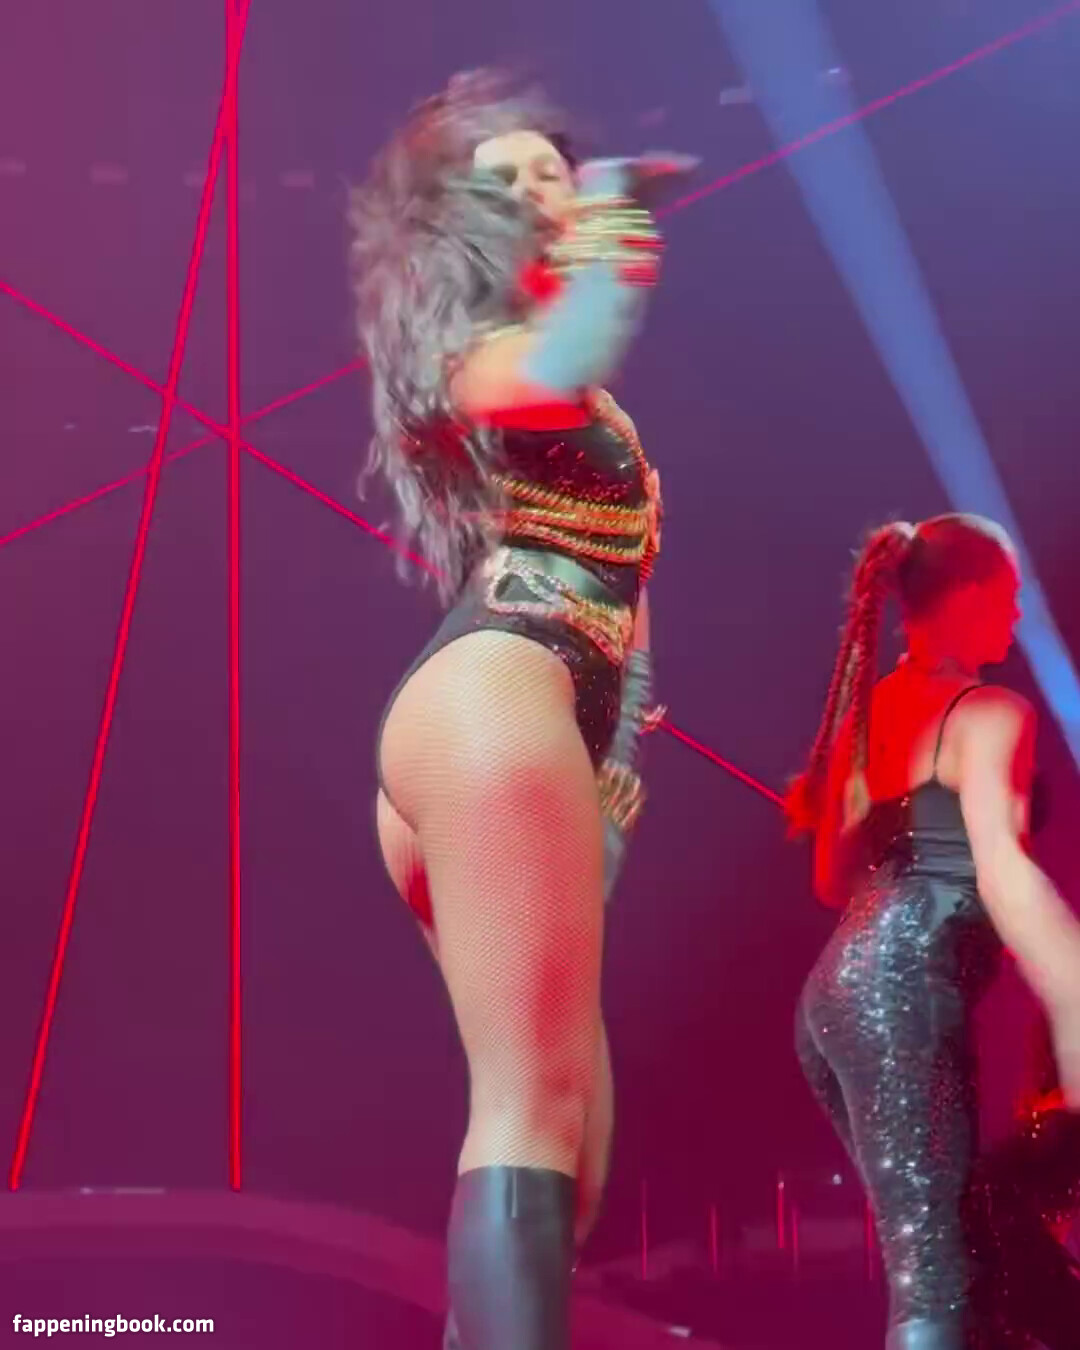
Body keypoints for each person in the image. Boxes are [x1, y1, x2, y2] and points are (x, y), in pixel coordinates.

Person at [348, 70, 683, 1348]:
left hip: (536, 732)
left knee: (571, 1158)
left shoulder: (588, 401)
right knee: (527, 1116)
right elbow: (568, 350)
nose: (550, 186)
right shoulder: (481, 356)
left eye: (559, 168)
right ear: (466, 224)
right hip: (495, 693)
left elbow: (630, 614)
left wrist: (607, 784)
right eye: (517, 178)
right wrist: (614, 236)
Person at [784, 514, 1080, 1349]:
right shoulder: (991, 714)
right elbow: (1004, 876)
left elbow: (831, 880)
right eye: (1012, 597)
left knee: (966, 1261)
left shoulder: (870, 711)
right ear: (973, 593)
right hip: (904, 995)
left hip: (836, 1005)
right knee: (941, 1281)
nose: (1018, 617)